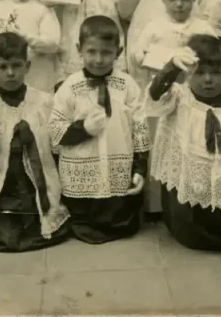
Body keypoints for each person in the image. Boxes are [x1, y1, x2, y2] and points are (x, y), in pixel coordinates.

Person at [142, 34, 221, 253]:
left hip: (216, 180)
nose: (208, 80)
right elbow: (155, 94)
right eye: (200, 73)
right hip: (185, 177)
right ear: (189, 73)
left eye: (216, 73)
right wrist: (172, 67)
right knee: (185, 219)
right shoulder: (180, 98)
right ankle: (186, 230)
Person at [0, 33, 71, 252]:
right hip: (2, 186)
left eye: (16, 65)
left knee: (43, 226)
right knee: (6, 236)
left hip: (35, 183)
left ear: (27, 66)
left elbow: (57, 143)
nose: (10, 73)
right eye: (3, 67)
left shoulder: (44, 102)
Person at [48, 16, 150, 243]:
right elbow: (54, 130)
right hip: (84, 162)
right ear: (79, 50)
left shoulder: (127, 85)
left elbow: (140, 128)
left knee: (122, 203)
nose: (98, 59)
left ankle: (118, 223)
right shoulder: (70, 86)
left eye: (106, 52)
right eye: (91, 51)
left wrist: (140, 168)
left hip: (117, 161)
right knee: (84, 210)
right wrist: (82, 128)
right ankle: (84, 223)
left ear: (118, 51)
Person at [126, 0, 216, 215]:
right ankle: (157, 206)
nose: (179, 5)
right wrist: (144, 54)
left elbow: (213, 58)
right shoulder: (154, 27)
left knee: (190, 146)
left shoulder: (203, 27)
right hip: (162, 97)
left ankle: (190, 200)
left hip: (192, 98)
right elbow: (136, 56)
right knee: (162, 147)